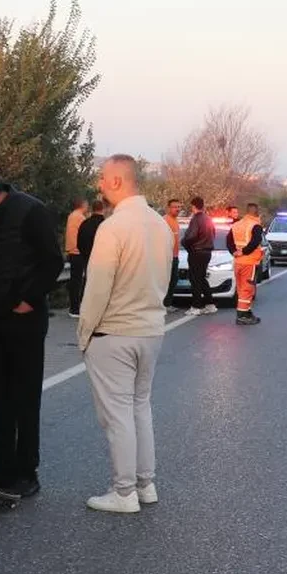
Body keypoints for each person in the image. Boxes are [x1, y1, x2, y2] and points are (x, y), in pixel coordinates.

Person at [78, 155, 175, 513]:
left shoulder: (113, 228)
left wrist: (84, 334)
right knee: (139, 408)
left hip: (114, 332)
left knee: (117, 415)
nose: (99, 183)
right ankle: (145, 485)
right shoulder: (160, 225)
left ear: (117, 181)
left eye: (102, 177)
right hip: (151, 329)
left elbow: (97, 288)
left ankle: (123, 493)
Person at [0, 168, 65, 497]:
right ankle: (2, 470)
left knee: (24, 398)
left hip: (25, 321)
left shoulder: (30, 211)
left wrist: (28, 300)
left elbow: (52, 262)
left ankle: (26, 472)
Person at [227, 203, 265, 326]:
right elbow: (256, 241)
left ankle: (247, 312)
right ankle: (242, 315)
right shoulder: (255, 225)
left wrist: (235, 252)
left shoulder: (237, 224)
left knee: (241, 288)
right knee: (247, 289)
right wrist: (244, 251)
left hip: (238, 262)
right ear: (256, 212)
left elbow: (229, 240)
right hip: (250, 261)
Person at [181, 196, 218, 315]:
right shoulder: (208, 218)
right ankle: (210, 304)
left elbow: (191, 235)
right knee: (201, 278)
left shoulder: (196, 219)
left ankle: (196, 306)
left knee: (195, 279)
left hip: (196, 252)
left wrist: (184, 242)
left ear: (193, 206)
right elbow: (213, 234)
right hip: (207, 252)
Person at [64, 198, 90, 318]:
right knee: (78, 281)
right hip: (77, 252)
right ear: (82, 205)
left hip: (73, 252)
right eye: (86, 204)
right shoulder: (79, 217)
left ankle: (74, 307)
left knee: (76, 280)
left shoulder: (72, 216)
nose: (88, 206)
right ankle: (75, 308)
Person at [163, 199, 183, 311]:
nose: (178, 209)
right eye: (175, 207)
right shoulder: (165, 221)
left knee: (173, 279)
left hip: (175, 256)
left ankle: (167, 304)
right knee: (167, 280)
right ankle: (165, 304)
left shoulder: (175, 221)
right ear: (168, 208)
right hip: (167, 257)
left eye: (179, 207)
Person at [77, 198, 105, 265]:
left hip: (88, 260)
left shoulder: (84, 223)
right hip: (104, 261)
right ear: (103, 208)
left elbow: (79, 243)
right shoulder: (106, 224)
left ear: (92, 209)